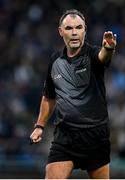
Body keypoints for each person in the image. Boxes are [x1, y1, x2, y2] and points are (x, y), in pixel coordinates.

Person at [30, 9, 117, 179]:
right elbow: (49, 96)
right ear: (60, 32)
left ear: (85, 30)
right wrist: (39, 126)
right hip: (65, 137)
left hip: (95, 135)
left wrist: (109, 48)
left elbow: (103, 57)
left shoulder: (93, 55)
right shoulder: (55, 61)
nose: (75, 32)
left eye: (79, 27)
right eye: (69, 28)